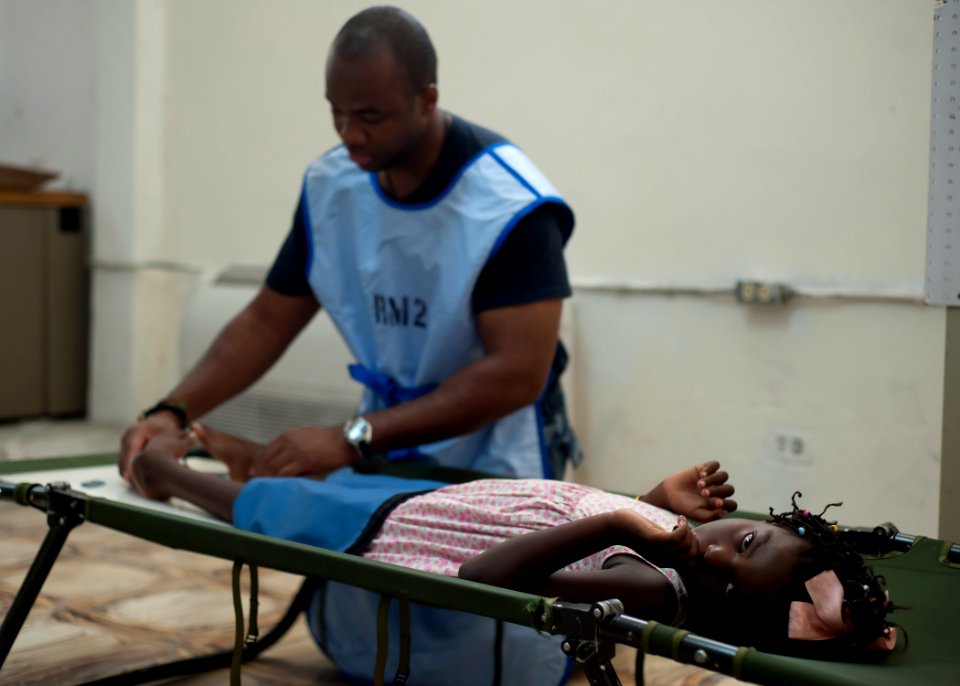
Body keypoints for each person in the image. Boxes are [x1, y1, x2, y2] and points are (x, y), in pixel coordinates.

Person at [119, 5, 578, 485]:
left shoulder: (510, 204)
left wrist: (351, 438)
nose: (349, 133)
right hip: (382, 441)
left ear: (427, 99)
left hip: (495, 454)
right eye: (336, 112)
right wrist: (171, 411)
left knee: (474, 563)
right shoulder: (332, 185)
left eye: (370, 116)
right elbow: (267, 321)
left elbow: (516, 374)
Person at [130, 427, 898, 683]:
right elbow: (596, 533)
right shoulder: (664, 562)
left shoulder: (652, 590)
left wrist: (630, 524)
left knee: (280, 511)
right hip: (445, 506)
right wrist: (651, 499)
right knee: (333, 485)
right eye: (749, 537)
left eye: (730, 567)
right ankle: (230, 458)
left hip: (417, 536)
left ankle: (164, 472)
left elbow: (489, 580)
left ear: (717, 608)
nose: (720, 548)